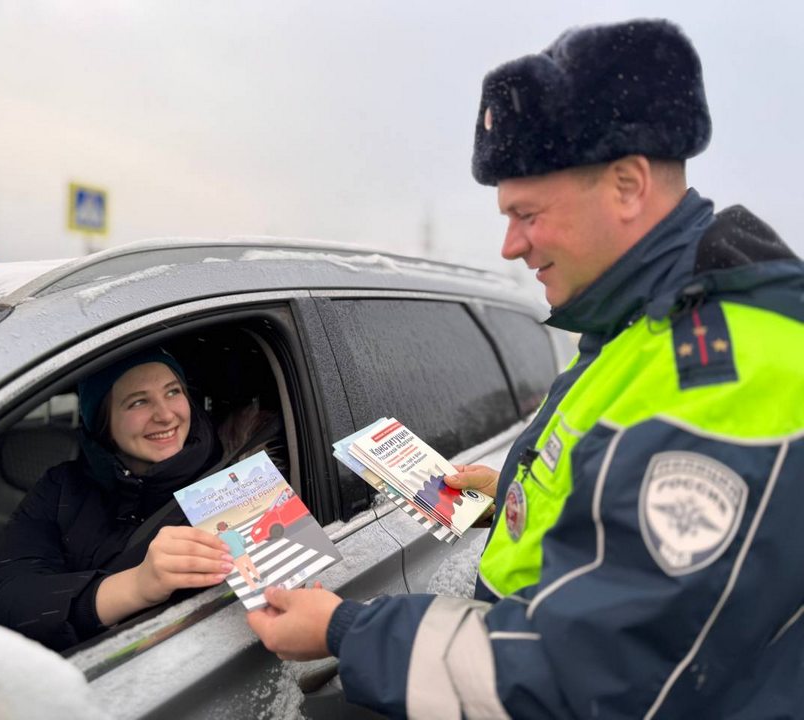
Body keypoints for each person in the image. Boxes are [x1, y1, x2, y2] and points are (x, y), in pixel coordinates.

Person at [248, 18, 804, 719]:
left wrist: (341, 630)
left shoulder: (733, 376)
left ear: (628, 185)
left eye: (527, 213)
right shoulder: (640, 326)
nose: (510, 245)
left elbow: (589, 675)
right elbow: (609, 503)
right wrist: (506, 492)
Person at [0, 347, 246, 651]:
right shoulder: (62, 486)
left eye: (173, 392)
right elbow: (1, 602)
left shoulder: (236, 483)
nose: (165, 414)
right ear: (103, 423)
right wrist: (134, 587)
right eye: (139, 401)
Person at [216, 520, 263, 591]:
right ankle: (259, 578)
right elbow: (243, 541)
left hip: (234, 557)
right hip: (243, 553)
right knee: (251, 566)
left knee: (244, 573)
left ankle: (254, 588)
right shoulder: (233, 532)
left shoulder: (220, 538)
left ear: (219, 530)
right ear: (226, 526)